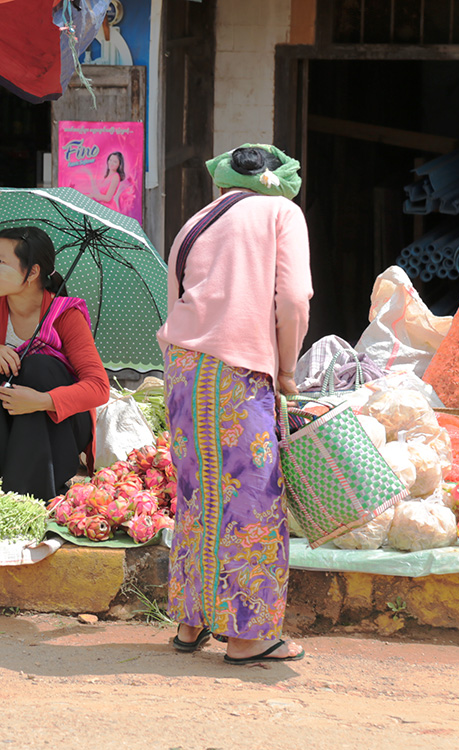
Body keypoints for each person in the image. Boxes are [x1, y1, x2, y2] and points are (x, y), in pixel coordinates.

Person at [157, 144, 312, 665]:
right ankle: (248, 637)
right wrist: (286, 369)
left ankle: (190, 622)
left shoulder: (195, 221)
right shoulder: (282, 212)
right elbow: (292, 300)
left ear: (224, 183)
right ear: (278, 181)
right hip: (238, 374)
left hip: (182, 370)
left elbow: (178, 294)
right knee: (253, 499)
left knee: (197, 493)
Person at [0, 226, 109, 500]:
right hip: (0, 430)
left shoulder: (65, 315)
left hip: (54, 437)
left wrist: (42, 400)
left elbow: (99, 387)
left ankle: (30, 489)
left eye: (1, 262)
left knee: (40, 366)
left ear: (32, 273)